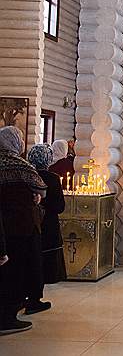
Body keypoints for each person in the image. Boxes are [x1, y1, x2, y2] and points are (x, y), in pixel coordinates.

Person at [0, 126, 47, 335]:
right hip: (21, 226)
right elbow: (41, 188)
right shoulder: (20, 165)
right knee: (16, 270)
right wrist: (34, 197)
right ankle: (8, 317)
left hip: (4, 226)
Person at [26, 144, 67, 314]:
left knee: (28, 261)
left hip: (28, 225)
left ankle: (22, 297)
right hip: (47, 226)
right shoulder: (51, 178)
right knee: (41, 264)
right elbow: (59, 206)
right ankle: (35, 299)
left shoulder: (26, 175)